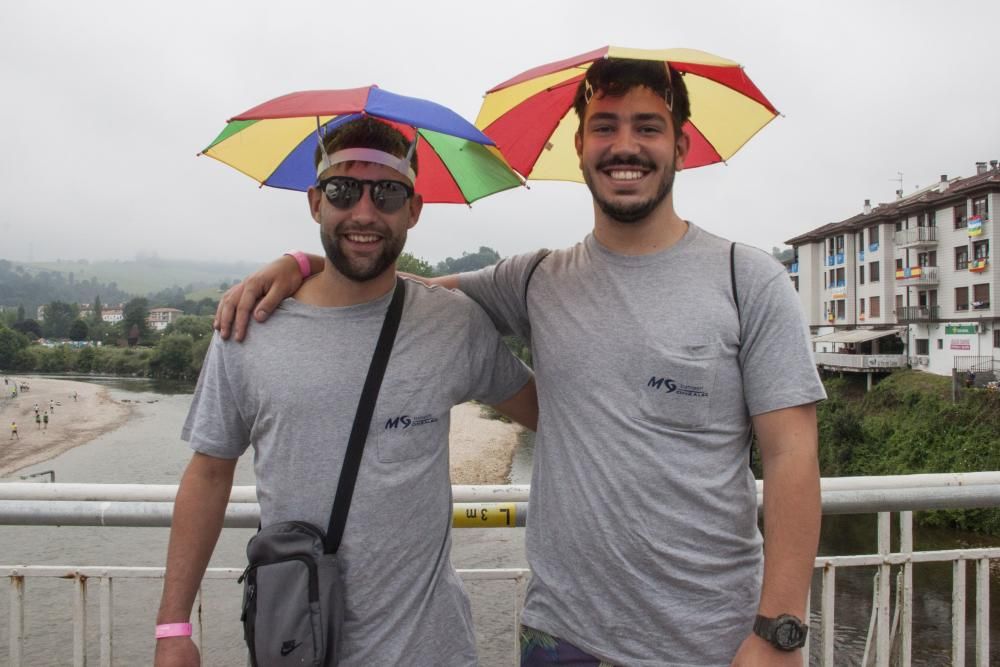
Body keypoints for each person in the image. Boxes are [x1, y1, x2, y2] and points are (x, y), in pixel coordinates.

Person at [216, 59, 825, 666]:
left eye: (648, 127)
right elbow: (387, 290)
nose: (625, 146)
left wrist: (779, 629)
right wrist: (305, 265)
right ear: (579, 147)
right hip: (562, 635)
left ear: (681, 145)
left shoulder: (748, 280)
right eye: (605, 127)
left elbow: (791, 456)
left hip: (713, 639)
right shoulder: (537, 279)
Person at [154, 117, 538, 667]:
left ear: (414, 209)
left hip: (433, 650)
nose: (363, 212)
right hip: (300, 646)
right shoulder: (249, 326)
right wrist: (172, 628)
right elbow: (209, 473)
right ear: (315, 202)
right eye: (342, 190)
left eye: (387, 192)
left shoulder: (451, 325)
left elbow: (554, 415)